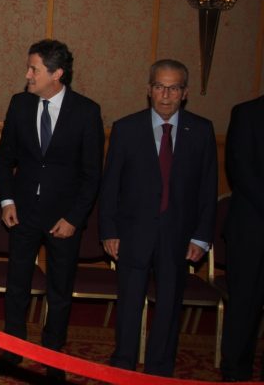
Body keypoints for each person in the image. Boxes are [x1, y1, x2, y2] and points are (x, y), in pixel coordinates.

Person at [0, 39, 104, 382]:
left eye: (34, 69)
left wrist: (74, 219)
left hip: (64, 219)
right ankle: (12, 348)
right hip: (23, 213)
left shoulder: (86, 111)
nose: (27, 75)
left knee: (59, 290)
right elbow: (4, 159)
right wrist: (7, 201)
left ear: (57, 74)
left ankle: (53, 351)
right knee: (17, 285)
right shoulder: (20, 104)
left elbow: (92, 174)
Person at [99, 59, 217, 377]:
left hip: (178, 236)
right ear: (149, 90)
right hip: (132, 234)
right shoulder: (126, 129)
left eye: (174, 88)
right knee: (129, 304)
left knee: (169, 306)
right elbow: (110, 187)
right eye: (160, 87)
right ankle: (123, 367)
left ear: (185, 92)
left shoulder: (201, 131)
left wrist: (201, 237)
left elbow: (208, 189)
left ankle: (159, 370)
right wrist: (109, 230)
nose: (166, 95)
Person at [220, 95, 264, 382]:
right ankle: (235, 374)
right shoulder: (247, 113)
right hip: (252, 230)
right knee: (244, 305)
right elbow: (240, 169)